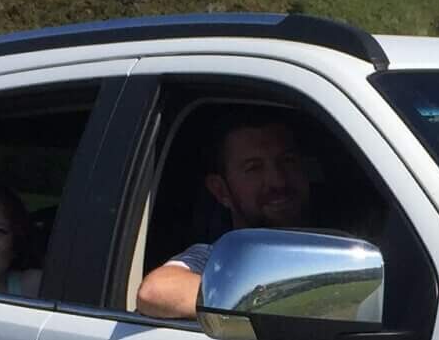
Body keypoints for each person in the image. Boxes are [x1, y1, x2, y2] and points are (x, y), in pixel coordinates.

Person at [135, 111, 315, 319]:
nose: (278, 181)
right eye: (254, 168)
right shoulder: (217, 258)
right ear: (221, 191)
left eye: (287, 160)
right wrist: (278, 302)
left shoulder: (350, 244)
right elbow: (156, 290)